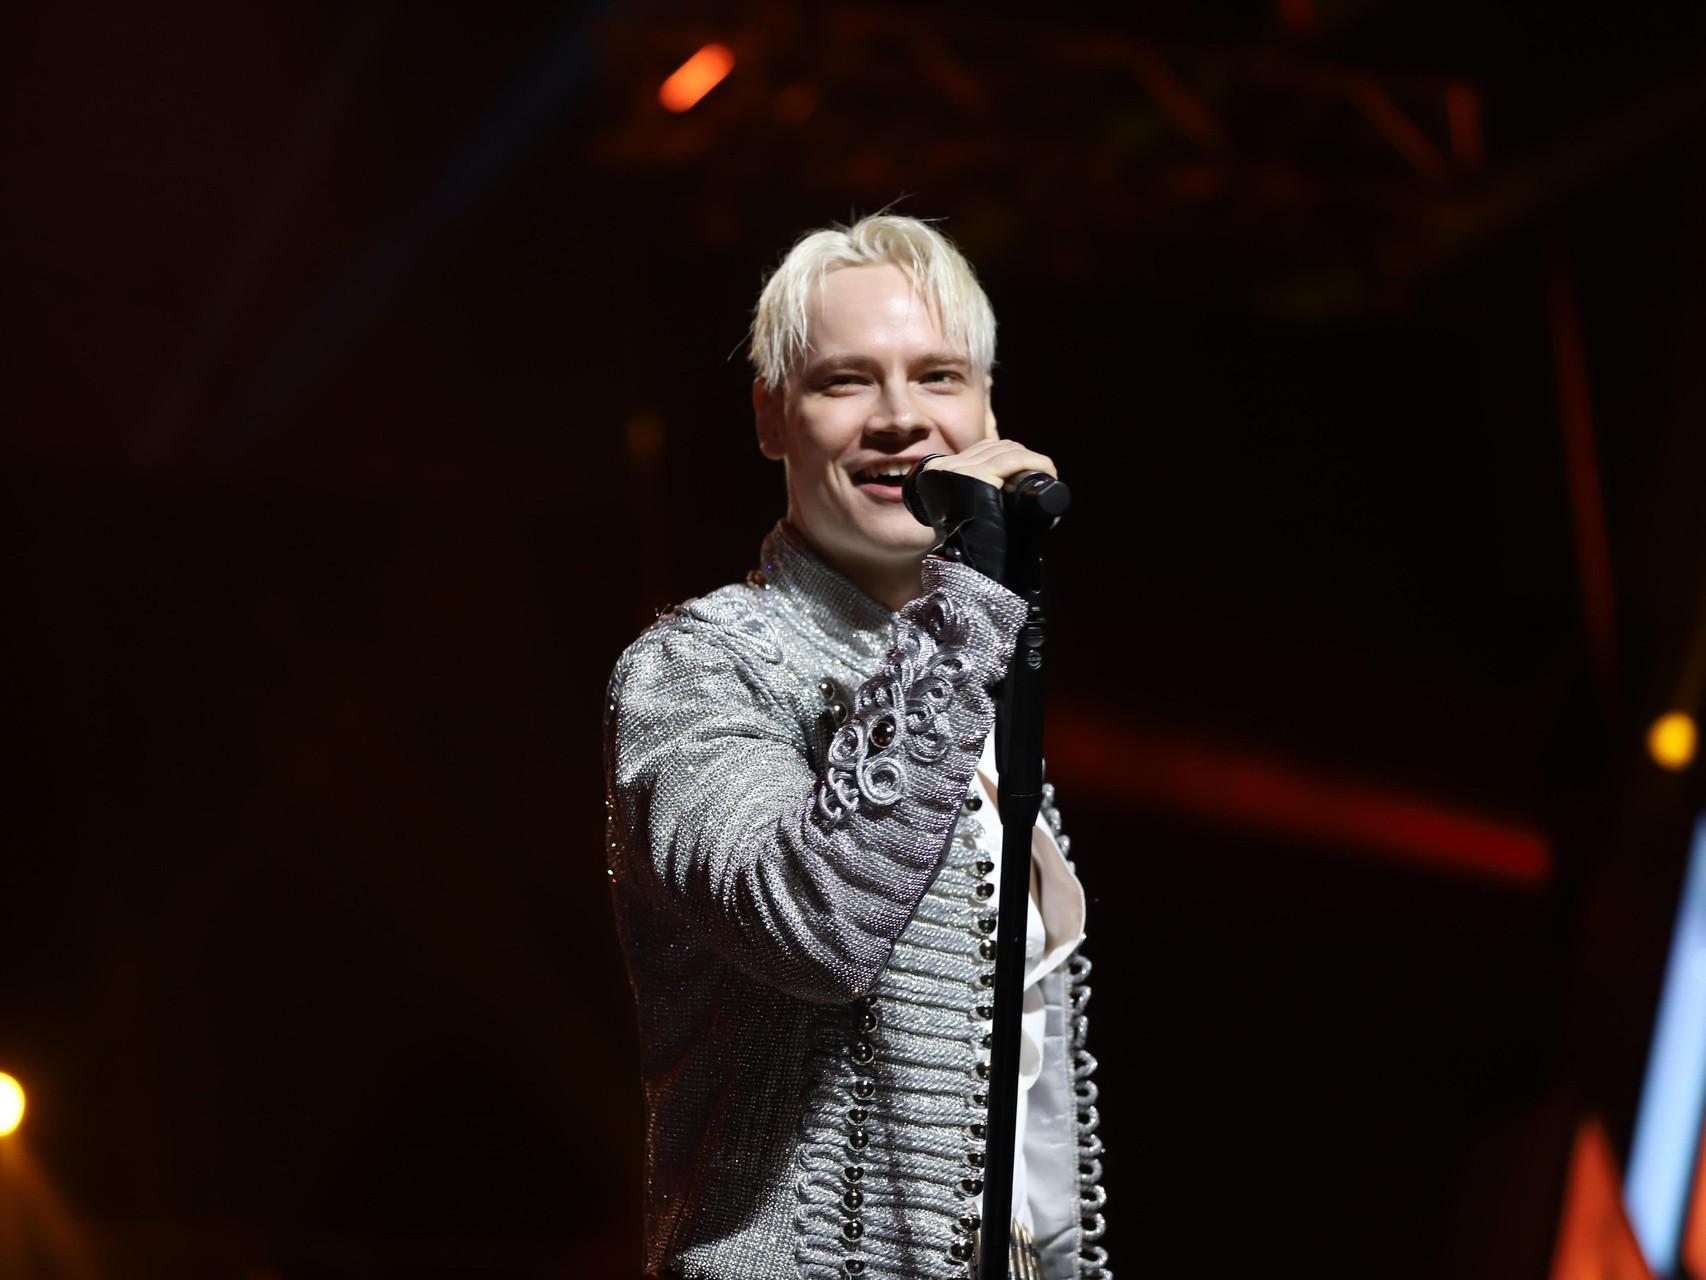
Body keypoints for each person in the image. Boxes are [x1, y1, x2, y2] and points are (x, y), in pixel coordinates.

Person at [603, 214, 1110, 1280]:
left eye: (937, 375)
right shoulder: (694, 670)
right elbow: (815, 925)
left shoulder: (968, 685)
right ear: (770, 416)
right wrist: (968, 607)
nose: (899, 418)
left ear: (986, 408)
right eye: (845, 381)